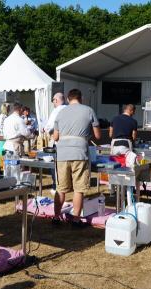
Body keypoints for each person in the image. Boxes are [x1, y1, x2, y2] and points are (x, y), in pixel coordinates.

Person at [53, 89, 101, 225]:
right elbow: (98, 136)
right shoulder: (89, 110)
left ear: (68, 99)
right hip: (80, 152)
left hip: (62, 153)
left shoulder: (61, 112)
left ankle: (56, 217)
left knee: (61, 188)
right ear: (81, 98)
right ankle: (75, 219)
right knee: (79, 188)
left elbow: (55, 137)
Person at [44, 92, 66, 192]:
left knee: (55, 165)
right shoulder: (68, 109)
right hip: (68, 142)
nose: (53, 102)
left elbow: (49, 126)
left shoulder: (56, 110)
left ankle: (55, 186)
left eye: (53, 100)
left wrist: (45, 129)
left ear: (56, 100)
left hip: (57, 141)